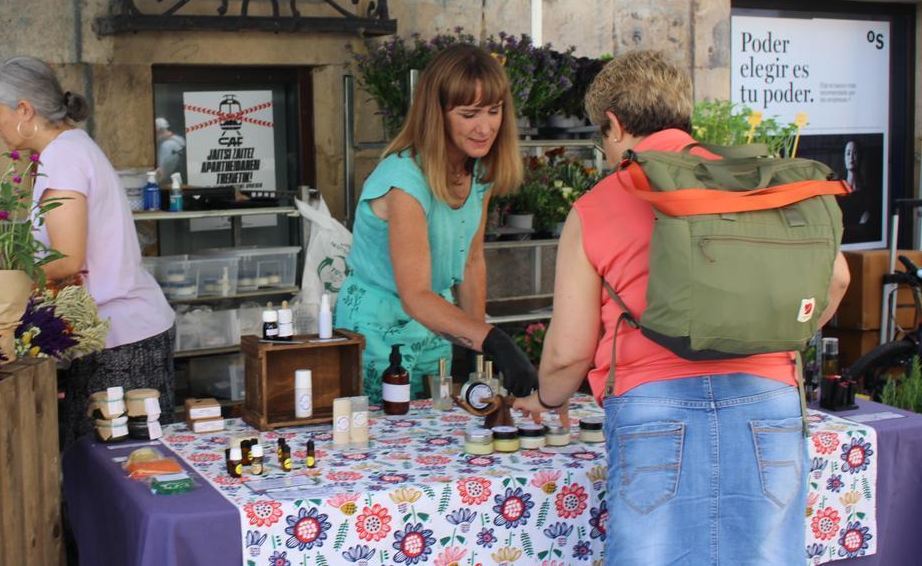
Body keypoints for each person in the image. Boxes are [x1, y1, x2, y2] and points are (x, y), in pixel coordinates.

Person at [515, 50, 851, 565]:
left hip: (653, 406)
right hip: (769, 400)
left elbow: (567, 352)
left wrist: (547, 399)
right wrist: (766, 328)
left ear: (614, 124)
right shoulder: (757, 183)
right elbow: (839, 278)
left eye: (600, 137)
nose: (604, 151)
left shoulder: (598, 205)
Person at [0, 56, 176, 447]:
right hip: (116, 334)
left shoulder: (63, 157)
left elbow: (67, 259)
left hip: (120, 341)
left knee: (116, 476)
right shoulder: (70, 148)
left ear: (24, 110)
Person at [335, 44, 536, 403]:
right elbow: (415, 295)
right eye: (469, 113)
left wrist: (480, 354)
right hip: (379, 330)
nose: (485, 127)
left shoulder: (480, 172)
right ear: (436, 114)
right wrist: (493, 339)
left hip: (437, 325)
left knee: (436, 428)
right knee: (384, 440)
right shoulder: (405, 181)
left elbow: (472, 262)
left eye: (494, 111)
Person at [155, 117, 186, 181]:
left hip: (171, 180)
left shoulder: (166, 145)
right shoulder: (178, 140)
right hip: (175, 178)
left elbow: (160, 174)